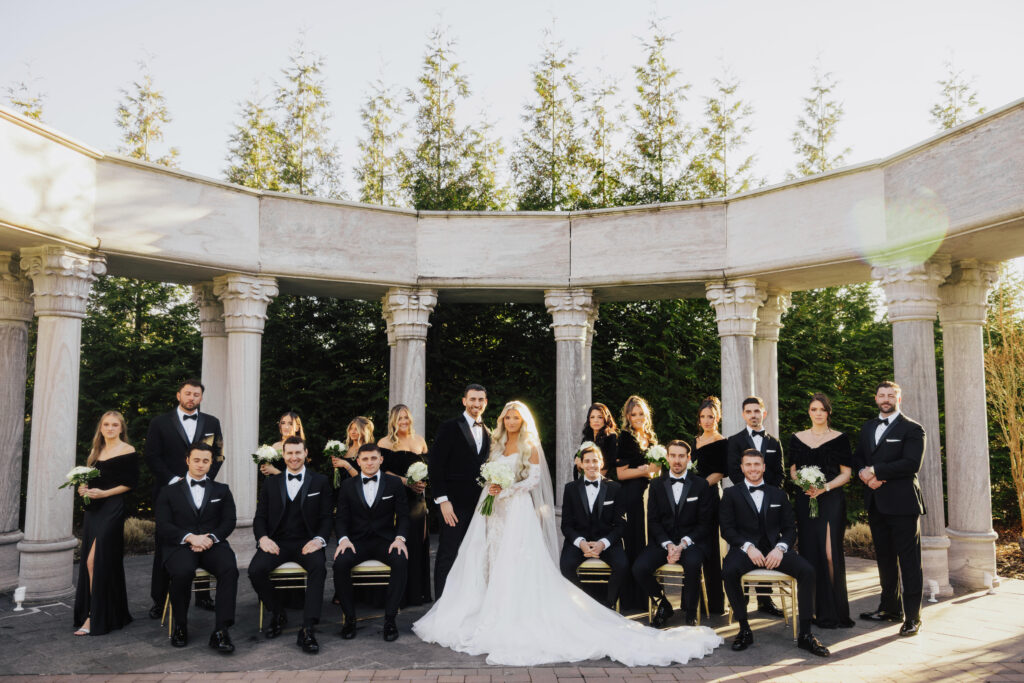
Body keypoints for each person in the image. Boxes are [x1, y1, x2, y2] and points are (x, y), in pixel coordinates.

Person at [413, 401, 723, 666]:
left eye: (516, 417)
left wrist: (505, 489)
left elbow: (532, 480)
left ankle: (512, 608)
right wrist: (492, 487)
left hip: (517, 509)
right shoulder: (494, 444)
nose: (511, 421)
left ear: (522, 421)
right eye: (507, 417)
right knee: (489, 558)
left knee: (514, 559)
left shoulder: (529, 445)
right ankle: (484, 604)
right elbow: (486, 474)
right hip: (493, 512)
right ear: (501, 420)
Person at [720, 449, 830, 657]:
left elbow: (790, 528)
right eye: (748, 465)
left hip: (774, 550)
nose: (753, 468)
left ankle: (805, 635)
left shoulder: (779, 494)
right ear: (742, 468)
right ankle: (744, 629)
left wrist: (780, 548)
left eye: (756, 464)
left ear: (763, 467)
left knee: (807, 571)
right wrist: (747, 547)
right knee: (728, 571)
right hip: (745, 551)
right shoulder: (731, 494)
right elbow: (727, 529)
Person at [852, 381, 926, 637]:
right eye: (882, 395)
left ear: (899, 398)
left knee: (909, 561)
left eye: (891, 395)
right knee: (884, 558)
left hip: (903, 504)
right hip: (876, 502)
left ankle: (913, 617)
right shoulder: (868, 426)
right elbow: (860, 455)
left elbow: (911, 463)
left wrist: (876, 472)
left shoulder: (913, 429)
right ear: (876, 399)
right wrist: (863, 472)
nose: (886, 399)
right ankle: (889, 609)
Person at [145, 378, 223, 619]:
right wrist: (174, 481)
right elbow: (152, 456)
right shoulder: (159, 423)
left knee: (202, 541)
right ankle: (160, 600)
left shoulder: (212, 422)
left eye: (196, 395)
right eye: (188, 393)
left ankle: (203, 596)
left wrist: (202, 478)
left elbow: (217, 455)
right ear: (179, 395)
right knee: (165, 546)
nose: (192, 398)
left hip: (202, 492)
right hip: (169, 493)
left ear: (201, 398)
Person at [248, 436, 332, 654]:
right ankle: (277, 612)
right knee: (255, 570)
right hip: (278, 542)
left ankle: (308, 627)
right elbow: (260, 518)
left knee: (318, 568)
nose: (294, 457)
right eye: (289, 453)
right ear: (283, 455)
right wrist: (263, 538)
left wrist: (319, 540)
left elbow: (326, 518)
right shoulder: (271, 483)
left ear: (305, 454)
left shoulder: (320, 481)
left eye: (298, 453)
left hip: (308, 542)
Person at [154, 444, 239, 653]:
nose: (201, 465)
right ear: (187, 461)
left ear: (211, 463)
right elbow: (163, 525)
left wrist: (210, 538)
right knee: (182, 572)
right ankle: (180, 626)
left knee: (229, 569)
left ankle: (221, 630)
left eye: (205, 461)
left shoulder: (222, 490)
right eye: (197, 460)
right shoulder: (168, 491)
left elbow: (229, 521)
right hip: (181, 545)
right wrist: (190, 537)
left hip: (213, 544)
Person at [788, 393, 854, 629]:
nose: (818, 413)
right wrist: (805, 486)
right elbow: (793, 472)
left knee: (829, 553)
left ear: (828, 413)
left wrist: (824, 487)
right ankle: (811, 609)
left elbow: (846, 474)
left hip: (831, 499)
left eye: (822, 410)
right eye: (814, 409)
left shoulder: (839, 438)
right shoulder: (797, 438)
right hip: (806, 499)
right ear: (809, 412)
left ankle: (835, 610)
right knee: (809, 554)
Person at [332, 443, 409, 642]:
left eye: (373, 458)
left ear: (381, 459)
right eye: (365, 459)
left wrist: (400, 539)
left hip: (386, 541)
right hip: (356, 542)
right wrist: (343, 539)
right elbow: (340, 518)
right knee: (340, 563)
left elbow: (403, 516)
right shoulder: (348, 485)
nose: (369, 462)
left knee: (401, 559)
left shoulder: (394, 484)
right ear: (358, 462)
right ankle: (349, 619)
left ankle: (390, 620)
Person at [633, 440, 714, 627]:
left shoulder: (701, 485)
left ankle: (691, 612)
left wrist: (683, 544)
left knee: (693, 563)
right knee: (639, 568)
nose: (677, 460)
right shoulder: (656, 484)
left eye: (681, 456)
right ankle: (663, 603)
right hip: (663, 542)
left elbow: (705, 523)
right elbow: (652, 521)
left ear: (688, 458)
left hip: (691, 542)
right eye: (673, 456)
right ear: (667, 457)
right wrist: (668, 544)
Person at [73, 411, 138, 636]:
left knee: (95, 560)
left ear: (121, 428)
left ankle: (94, 615)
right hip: (94, 510)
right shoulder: (95, 451)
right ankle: (111, 612)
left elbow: (130, 483)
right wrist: (83, 489)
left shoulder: (128, 450)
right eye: (106, 424)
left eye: (115, 425)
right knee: (96, 561)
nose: (110, 428)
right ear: (101, 428)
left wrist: (105, 494)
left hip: (112, 508)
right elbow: (90, 481)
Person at [725, 395, 785, 617]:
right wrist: (748, 497)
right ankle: (741, 601)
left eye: (757, 411)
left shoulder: (774, 442)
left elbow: (780, 474)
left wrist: (772, 497)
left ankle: (765, 600)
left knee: (768, 544)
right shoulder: (735, 440)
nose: (753, 415)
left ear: (764, 413)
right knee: (746, 545)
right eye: (749, 411)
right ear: (743, 415)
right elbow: (733, 471)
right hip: (744, 503)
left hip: (770, 506)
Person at [429, 383, 490, 597]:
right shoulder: (449, 427)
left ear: (485, 402)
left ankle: (465, 600)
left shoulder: (489, 432)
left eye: (480, 399)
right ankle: (440, 604)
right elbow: (435, 466)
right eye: (472, 399)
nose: (476, 403)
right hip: (453, 505)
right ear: (464, 401)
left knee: (473, 554)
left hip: (480, 506)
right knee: (448, 552)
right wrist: (443, 500)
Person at [559, 443, 628, 608]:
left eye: (595, 461)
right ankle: (584, 604)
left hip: (606, 540)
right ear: (581, 464)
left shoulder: (615, 488)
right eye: (587, 461)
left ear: (602, 463)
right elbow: (566, 525)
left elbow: (621, 524)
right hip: (579, 541)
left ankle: (608, 605)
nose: (591, 465)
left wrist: (603, 543)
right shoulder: (570, 489)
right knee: (566, 566)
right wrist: (581, 543)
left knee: (622, 564)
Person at [379, 404, 432, 606]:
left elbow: (427, 467)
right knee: (402, 543)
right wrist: (406, 482)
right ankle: (399, 595)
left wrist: (422, 483)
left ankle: (418, 593)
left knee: (419, 542)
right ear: (393, 421)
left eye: (406, 418)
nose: (404, 422)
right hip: (397, 497)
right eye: (399, 418)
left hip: (418, 498)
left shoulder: (420, 441)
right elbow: (382, 471)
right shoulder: (385, 442)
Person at [614, 395, 660, 610]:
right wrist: (644, 471)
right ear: (628, 417)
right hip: (631, 496)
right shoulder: (625, 438)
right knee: (633, 543)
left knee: (647, 542)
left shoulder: (650, 439)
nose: (638, 417)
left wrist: (653, 472)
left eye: (641, 413)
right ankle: (632, 600)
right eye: (634, 414)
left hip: (649, 496)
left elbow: (655, 470)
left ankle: (647, 596)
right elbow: (621, 474)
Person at [692, 396, 727, 615]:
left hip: (711, 496)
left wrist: (700, 486)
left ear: (717, 418)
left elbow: (721, 471)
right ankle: (694, 601)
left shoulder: (722, 441)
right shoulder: (693, 441)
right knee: (694, 544)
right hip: (692, 500)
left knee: (712, 548)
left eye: (711, 417)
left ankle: (715, 604)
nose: (707, 420)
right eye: (703, 416)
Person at [577, 403, 619, 481]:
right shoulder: (587, 438)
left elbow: (607, 466)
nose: (596, 420)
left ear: (606, 419)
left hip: (604, 481)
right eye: (592, 417)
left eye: (600, 417)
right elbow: (578, 463)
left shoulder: (610, 437)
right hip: (586, 480)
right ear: (589, 420)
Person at [258, 411, 307, 477]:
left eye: (290, 424)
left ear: (297, 428)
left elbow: (296, 476)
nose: (286, 427)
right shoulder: (275, 445)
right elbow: (269, 466)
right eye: (283, 423)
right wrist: (265, 468)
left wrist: (274, 471)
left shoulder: (300, 447)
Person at [332, 417, 373, 483]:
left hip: (356, 489)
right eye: (351, 428)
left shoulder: (368, 450)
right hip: (341, 488)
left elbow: (365, 478)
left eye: (356, 429)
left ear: (364, 431)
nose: (352, 432)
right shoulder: (344, 448)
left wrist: (346, 465)